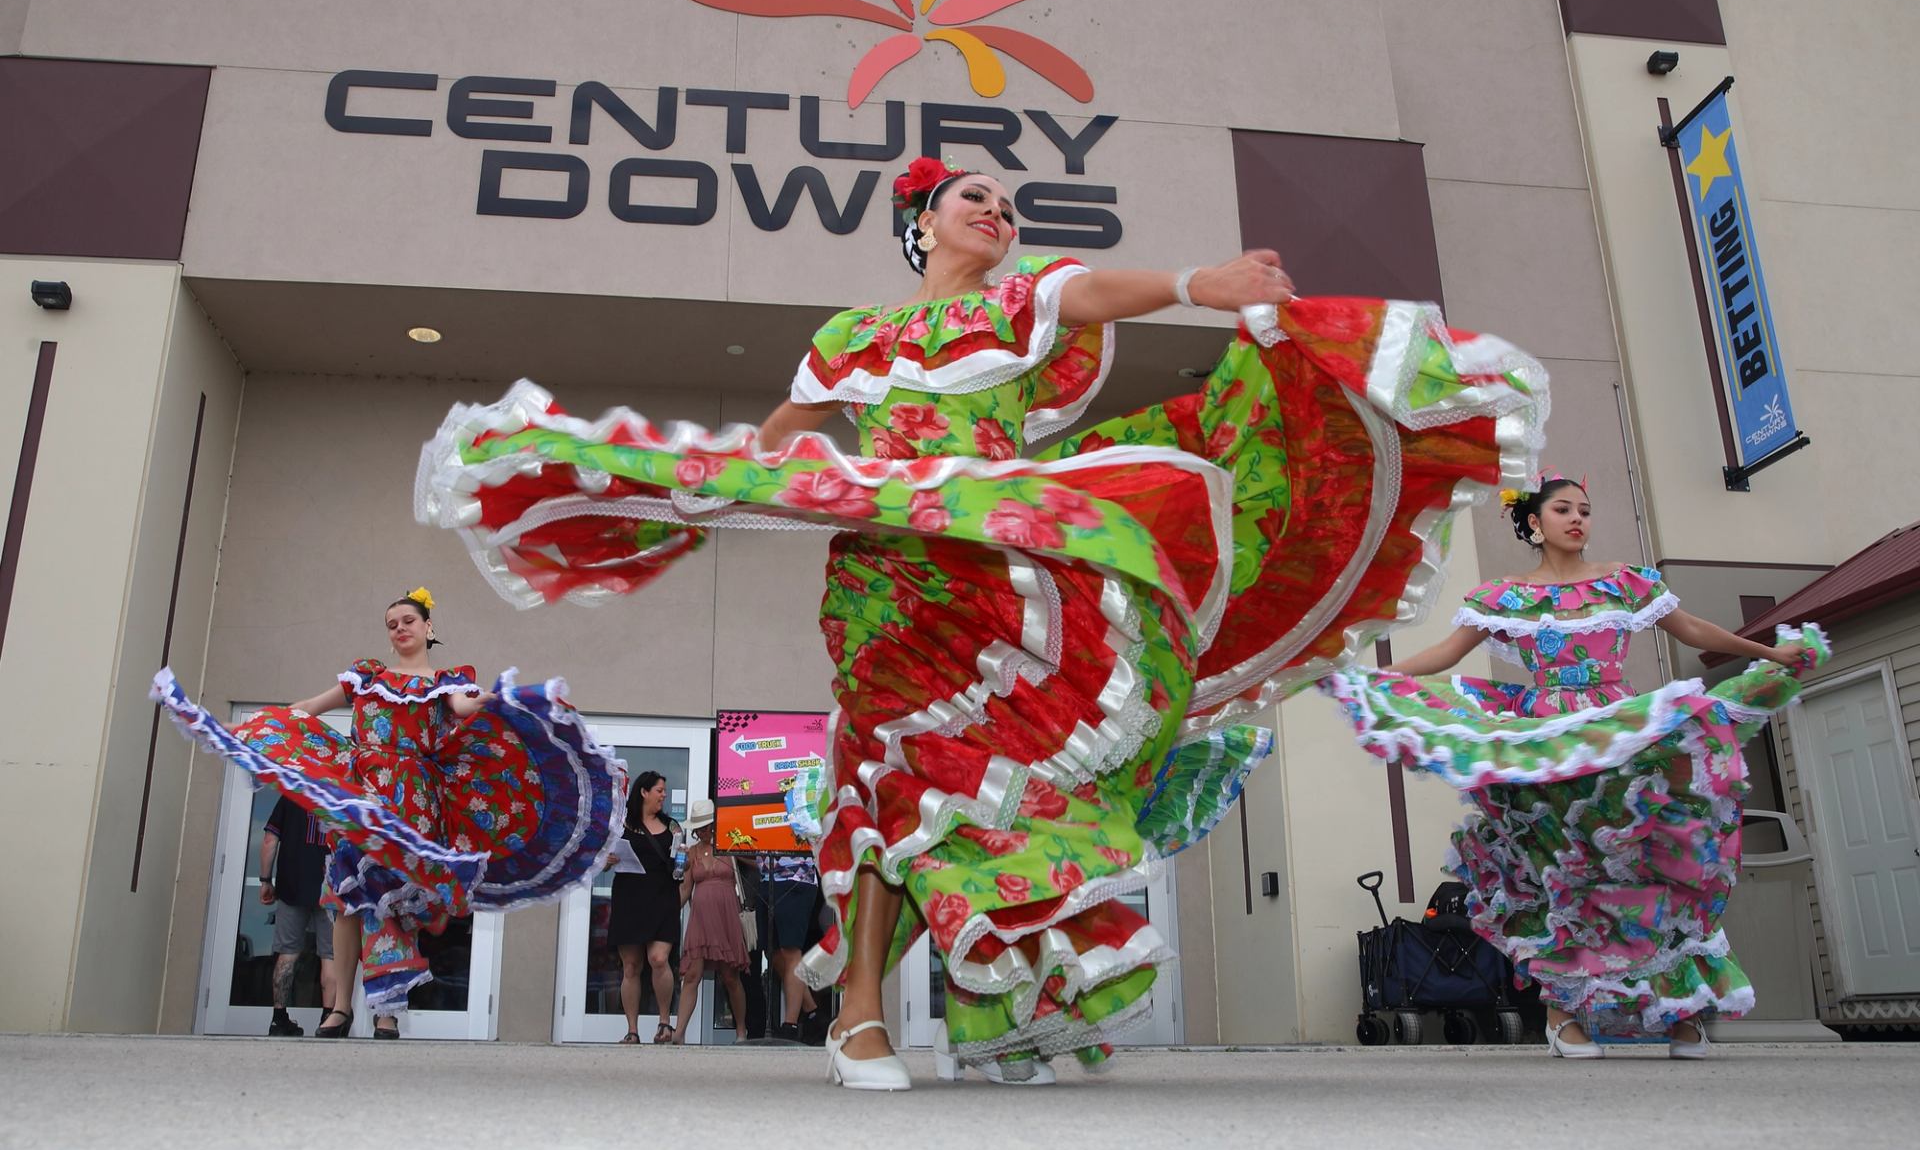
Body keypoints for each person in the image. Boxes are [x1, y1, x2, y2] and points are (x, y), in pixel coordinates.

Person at [415, 157, 1547, 1088]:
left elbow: (1091, 294)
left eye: (1009, 205)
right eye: (975, 199)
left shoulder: (1021, 301)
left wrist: (1196, 283)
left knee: (985, 787)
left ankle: (967, 1004)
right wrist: (703, 490)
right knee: (888, 774)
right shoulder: (854, 334)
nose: (998, 213)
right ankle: (861, 1010)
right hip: (889, 575)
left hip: (1004, 570)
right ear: (919, 223)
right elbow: (779, 436)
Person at [1317, 473, 1828, 1058]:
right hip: (1545, 743)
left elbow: (1691, 629)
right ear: (1535, 523)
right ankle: (1561, 1017)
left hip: (1619, 734)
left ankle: (1679, 1012)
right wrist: (1376, 678)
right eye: (1563, 509)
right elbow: (1446, 654)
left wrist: (1769, 652)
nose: (1578, 518)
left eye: (1584, 509)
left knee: (1645, 866)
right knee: (1557, 875)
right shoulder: (1507, 596)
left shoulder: (1624, 582)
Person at [154, 587, 623, 1039]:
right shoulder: (367, 677)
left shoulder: (444, 682)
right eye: (392, 624)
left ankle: (387, 1012)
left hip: (411, 800)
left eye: (408, 621)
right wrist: (249, 728)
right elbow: (307, 710)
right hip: (360, 792)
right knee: (345, 896)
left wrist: (490, 699)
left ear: (428, 627)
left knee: (391, 899)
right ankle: (341, 1007)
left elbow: (463, 706)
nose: (400, 629)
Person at [608, 770, 682, 1043]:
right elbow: (600, 862)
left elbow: (679, 866)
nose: (664, 795)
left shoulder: (673, 827)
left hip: (663, 898)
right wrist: (607, 861)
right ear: (644, 792)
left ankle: (665, 1023)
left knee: (659, 959)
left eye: (664, 791)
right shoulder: (621, 824)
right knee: (631, 966)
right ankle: (632, 1030)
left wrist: (683, 862)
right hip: (629, 898)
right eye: (659, 790)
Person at [669, 799, 750, 1044]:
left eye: (707, 826)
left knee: (730, 977)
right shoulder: (692, 852)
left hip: (726, 916)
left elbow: (756, 860)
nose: (703, 831)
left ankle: (741, 1031)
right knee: (691, 975)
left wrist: (735, 845)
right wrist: (667, 912)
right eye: (700, 828)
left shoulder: (729, 844)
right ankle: (679, 1033)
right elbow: (685, 889)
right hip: (701, 920)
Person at [259, 794, 339, 1035]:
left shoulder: (291, 795)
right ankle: (329, 1021)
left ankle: (279, 1019)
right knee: (331, 955)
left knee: (287, 953)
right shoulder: (338, 796)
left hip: (291, 886)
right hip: (331, 887)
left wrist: (265, 880)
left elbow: (270, 840)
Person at [760, 851, 827, 1043]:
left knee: (791, 951)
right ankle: (814, 1014)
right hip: (766, 878)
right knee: (772, 952)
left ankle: (790, 1025)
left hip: (797, 877)